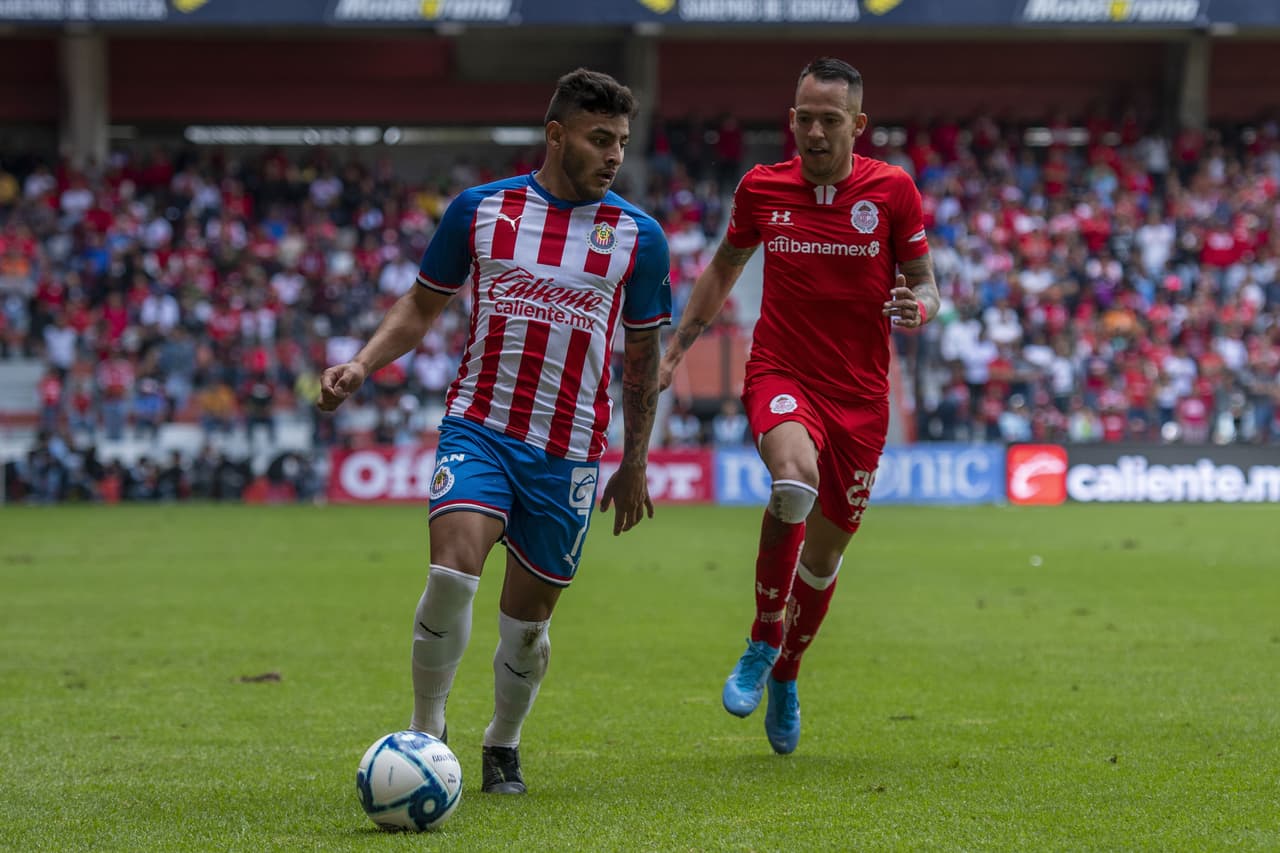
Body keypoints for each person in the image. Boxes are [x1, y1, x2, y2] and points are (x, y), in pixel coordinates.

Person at [318, 68, 670, 793]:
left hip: (568, 452)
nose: (613, 156)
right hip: (479, 427)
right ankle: (426, 732)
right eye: (599, 139)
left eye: (621, 143)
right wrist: (361, 363)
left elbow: (641, 361)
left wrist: (634, 462)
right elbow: (420, 307)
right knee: (450, 574)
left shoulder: (640, 237)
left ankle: (502, 741)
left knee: (527, 628)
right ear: (556, 135)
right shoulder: (481, 210)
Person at [658, 58, 939, 755]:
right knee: (791, 478)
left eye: (830, 120)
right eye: (803, 117)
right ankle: (762, 635)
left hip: (862, 398)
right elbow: (725, 266)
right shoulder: (762, 188)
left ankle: (787, 670)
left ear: (858, 126)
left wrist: (919, 305)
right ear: (791, 119)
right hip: (783, 371)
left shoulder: (893, 191)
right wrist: (675, 349)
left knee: (823, 558)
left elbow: (926, 282)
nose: (814, 131)